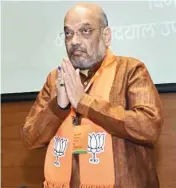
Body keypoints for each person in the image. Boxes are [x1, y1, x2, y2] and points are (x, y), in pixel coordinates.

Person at [21, 3, 163, 188]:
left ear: (106, 36)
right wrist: (59, 107)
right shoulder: (57, 78)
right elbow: (30, 138)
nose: (74, 41)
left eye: (85, 31)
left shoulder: (130, 70)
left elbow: (149, 126)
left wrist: (85, 102)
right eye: (69, 33)